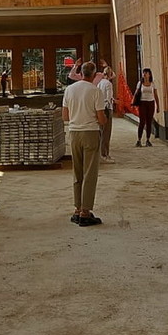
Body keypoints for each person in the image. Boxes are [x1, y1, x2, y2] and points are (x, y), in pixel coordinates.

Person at [62, 61, 107, 226]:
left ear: (80, 73)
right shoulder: (95, 91)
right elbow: (101, 119)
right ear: (94, 75)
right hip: (90, 133)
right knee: (90, 172)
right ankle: (85, 212)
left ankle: (77, 208)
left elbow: (65, 116)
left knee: (78, 171)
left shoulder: (69, 89)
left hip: (74, 133)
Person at [133, 68, 160, 147]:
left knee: (149, 122)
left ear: (149, 74)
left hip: (151, 103)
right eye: (143, 73)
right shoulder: (140, 83)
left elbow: (156, 95)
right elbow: (136, 93)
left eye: (146, 73)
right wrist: (133, 102)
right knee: (142, 121)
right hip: (142, 103)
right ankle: (139, 140)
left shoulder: (153, 83)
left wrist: (158, 106)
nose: (144, 74)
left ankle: (148, 139)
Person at [97, 67, 115, 162]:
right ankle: (105, 154)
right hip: (107, 108)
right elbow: (108, 98)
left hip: (100, 108)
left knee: (101, 132)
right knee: (106, 133)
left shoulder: (99, 83)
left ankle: (100, 153)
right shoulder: (108, 84)